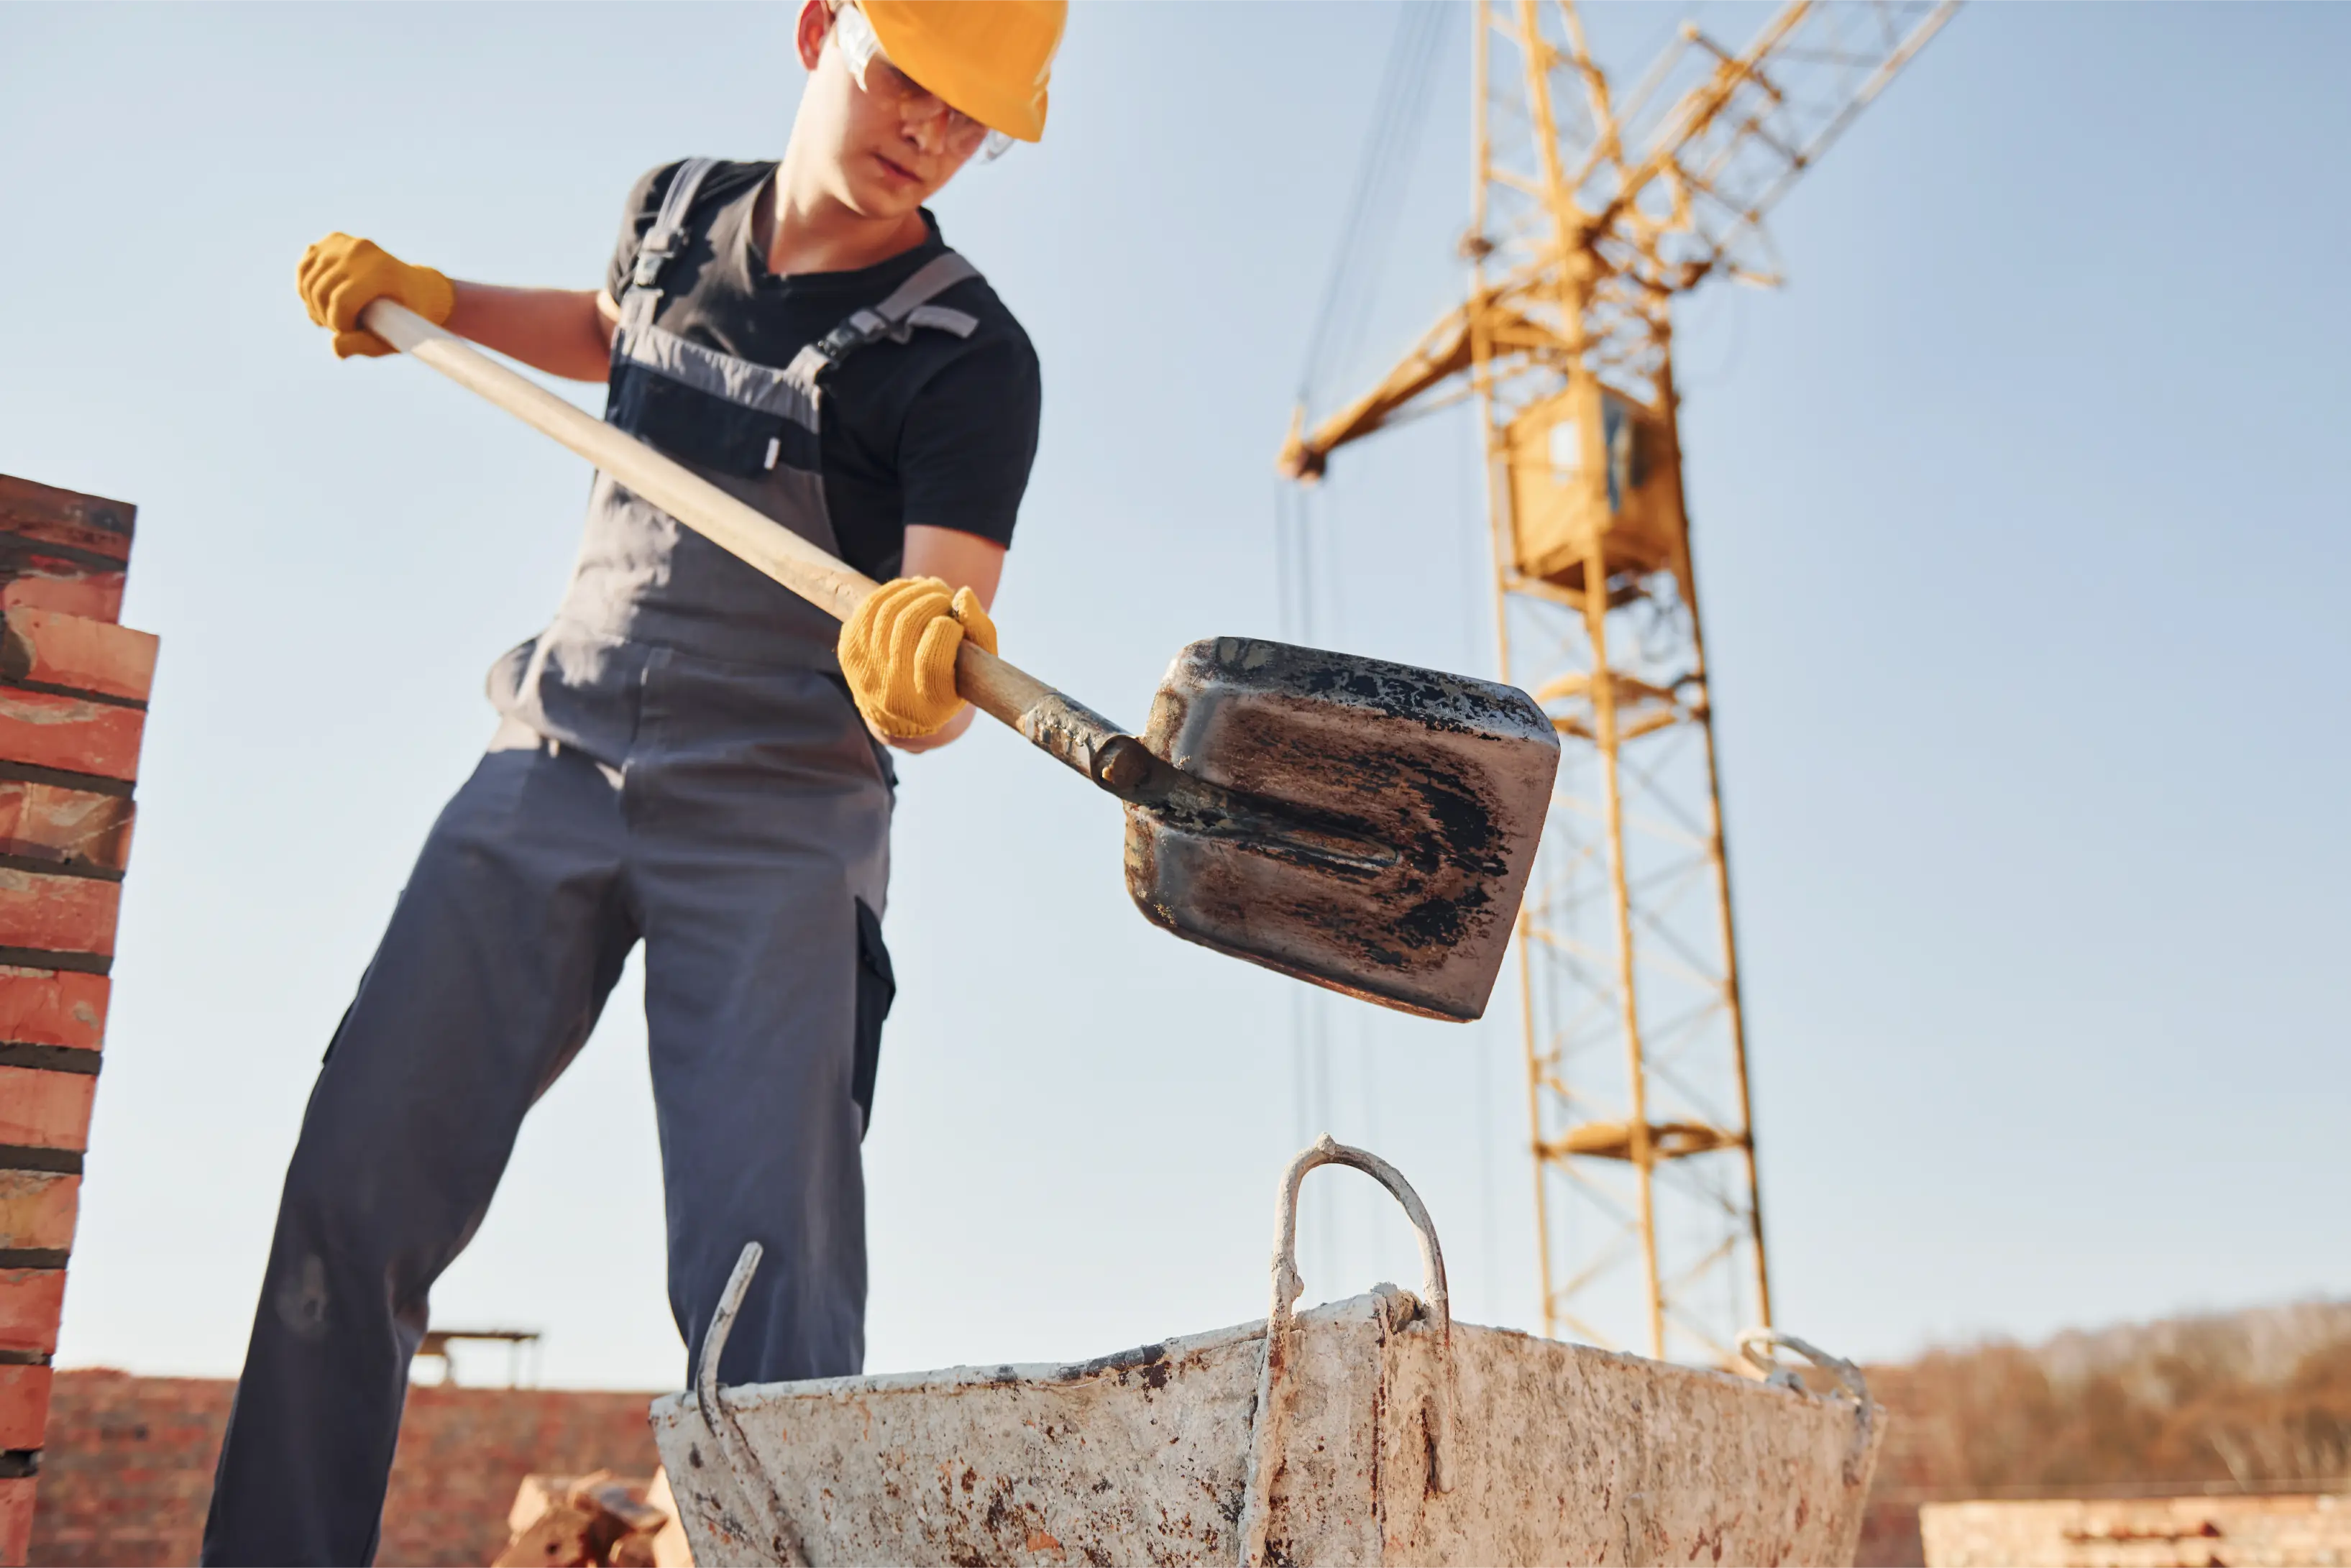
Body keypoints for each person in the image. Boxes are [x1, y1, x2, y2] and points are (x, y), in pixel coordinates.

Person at [202, 1, 1063, 1559]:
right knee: (354, 1181)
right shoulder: (670, 209)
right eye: (905, 80)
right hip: (554, 752)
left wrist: (921, 659)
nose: (929, 131)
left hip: (783, 814)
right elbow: (610, 338)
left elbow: (943, 628)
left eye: (969, 116)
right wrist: (438, 302)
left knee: (765, 1287)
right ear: (818, 31)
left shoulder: (970, 354)